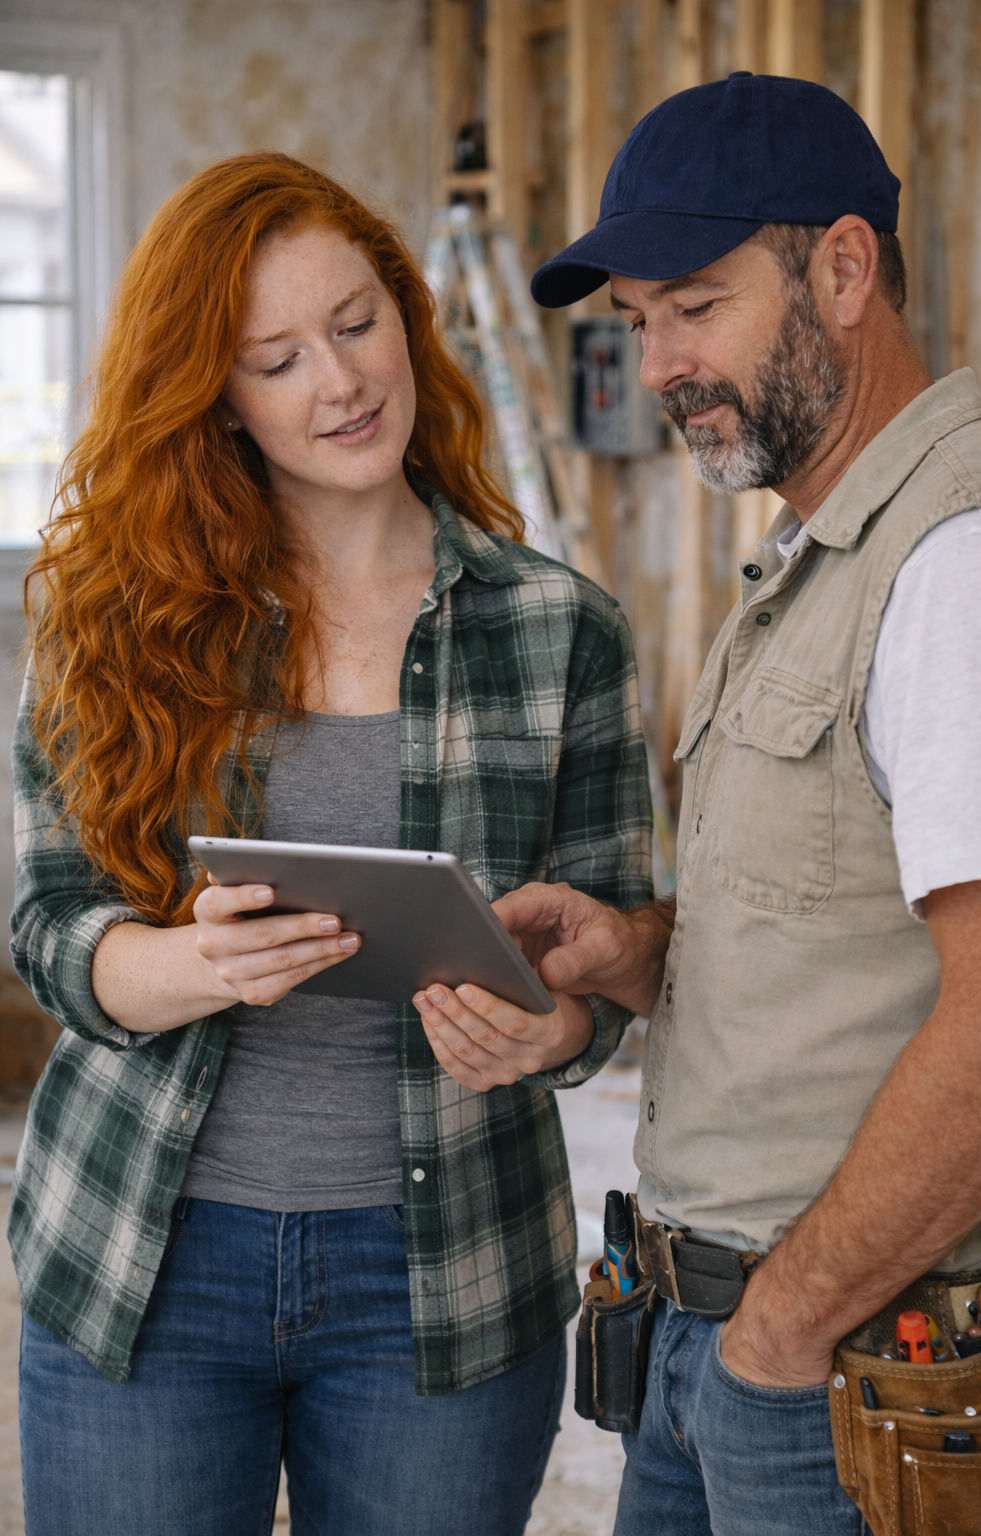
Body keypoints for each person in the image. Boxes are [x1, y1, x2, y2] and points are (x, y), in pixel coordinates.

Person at [10, 152, 652, 1536]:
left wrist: (562, 1032)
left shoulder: (562, 632)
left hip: (444, 1276)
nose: (340, 383)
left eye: (357, 326)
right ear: (218, 396)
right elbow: (47, 918)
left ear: (408, 319)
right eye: (276, 358)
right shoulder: (109, 614)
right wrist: (190, 967)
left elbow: (618, 951)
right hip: (146, 1257)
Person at [419, 73, 981, 1533]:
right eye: (638, 318)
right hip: (722, 1347)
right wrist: (644, 953)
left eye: (694, 303)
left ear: (842, 267)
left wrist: (779, 1331)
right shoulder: (818, 554)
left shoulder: (955, 567)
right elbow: (852, 917)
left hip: (841, 1360)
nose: (660, 361)